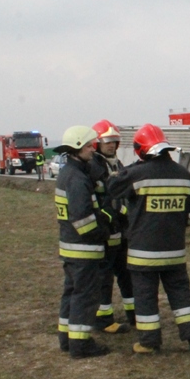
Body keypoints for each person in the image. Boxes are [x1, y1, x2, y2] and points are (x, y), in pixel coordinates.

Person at [110, 124, 190, 355]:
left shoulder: (137, 173)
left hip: (143, 253)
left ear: (141, 150)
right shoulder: (184, 174)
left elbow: (112, 188)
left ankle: (149, 342)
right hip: (174, 251)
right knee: (181, 294)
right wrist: (177, 226)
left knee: (145, 298)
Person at [54, 125, 111, 359]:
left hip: (70, 247)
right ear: (77, 148)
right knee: (85, 296)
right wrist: (104, 232)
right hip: (83, 250)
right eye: (89, 145)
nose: (93, 148)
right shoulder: (77, 178)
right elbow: (83, 220)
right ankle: (80, 345)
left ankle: (66, 339)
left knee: (71, 293)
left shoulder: (69, 172)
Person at [89, 119, 134, 334]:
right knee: (104, 277)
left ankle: (134, 314)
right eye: (106, 141)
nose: (111, 145)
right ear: (97, 143)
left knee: (126, 274)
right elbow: (104, 200)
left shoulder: (116, 163)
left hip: (121, 231)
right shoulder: (95, 166)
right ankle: (104, 320)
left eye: (114, 141)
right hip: (106, 232)